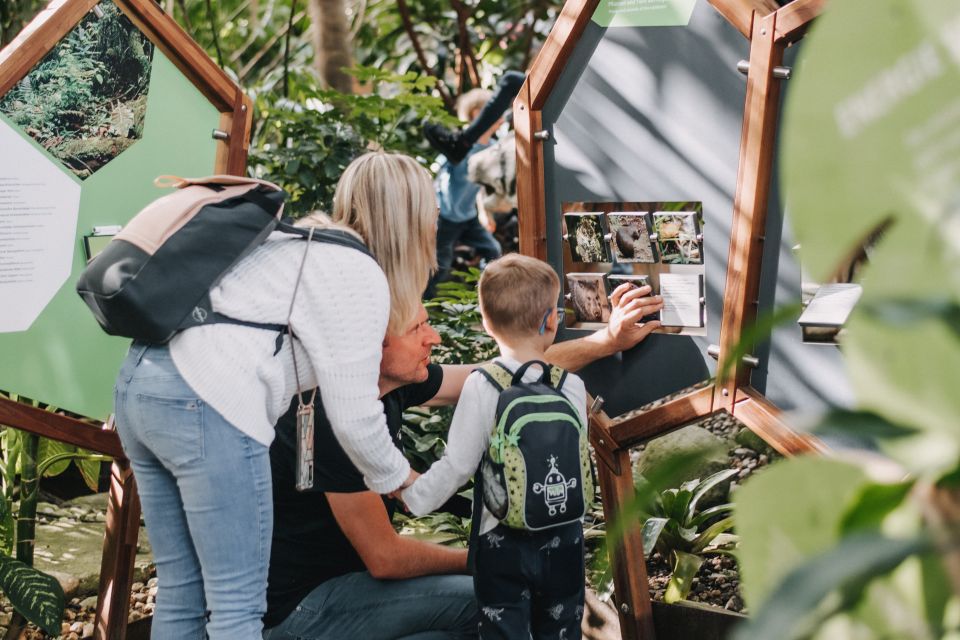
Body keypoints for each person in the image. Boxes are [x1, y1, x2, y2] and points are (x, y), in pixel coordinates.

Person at [112, 152, 436, 639]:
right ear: (411, 222)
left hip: (142, 385)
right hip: (209, 402)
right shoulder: (357, 272)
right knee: (239, 609)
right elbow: (354, 416)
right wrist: (405, 481)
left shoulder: (300, 242)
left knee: (184, 589)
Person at [264, 283, 664, 638]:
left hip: (353, 585)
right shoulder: (329, 417)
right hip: (306, 608)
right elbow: (386, 558)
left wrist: (607, 340)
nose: (433, 337)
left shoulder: (393, 385)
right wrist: (495, 559)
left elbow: (510, 373)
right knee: (493, 599)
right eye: (417, 328)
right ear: (374, 343)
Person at [403, 254, 588, 639]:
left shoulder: (483, 384)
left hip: (502, 542)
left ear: (485, 322)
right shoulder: (571, 385)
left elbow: (458, 464)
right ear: (551, 319)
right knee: (562, 628)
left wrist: (414, 499)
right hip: (564, 537)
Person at [427, 88, 507, 296]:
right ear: (476, 114)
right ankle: (426, 305)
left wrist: (484, 212)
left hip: (468, 217)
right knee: (440, 265)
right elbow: (438, 176)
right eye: (493, 110)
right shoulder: (461, 146)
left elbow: (482, 185)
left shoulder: (492, 147)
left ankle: (486, 295)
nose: (501, 115)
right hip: (446, 217)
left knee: (492, 251)